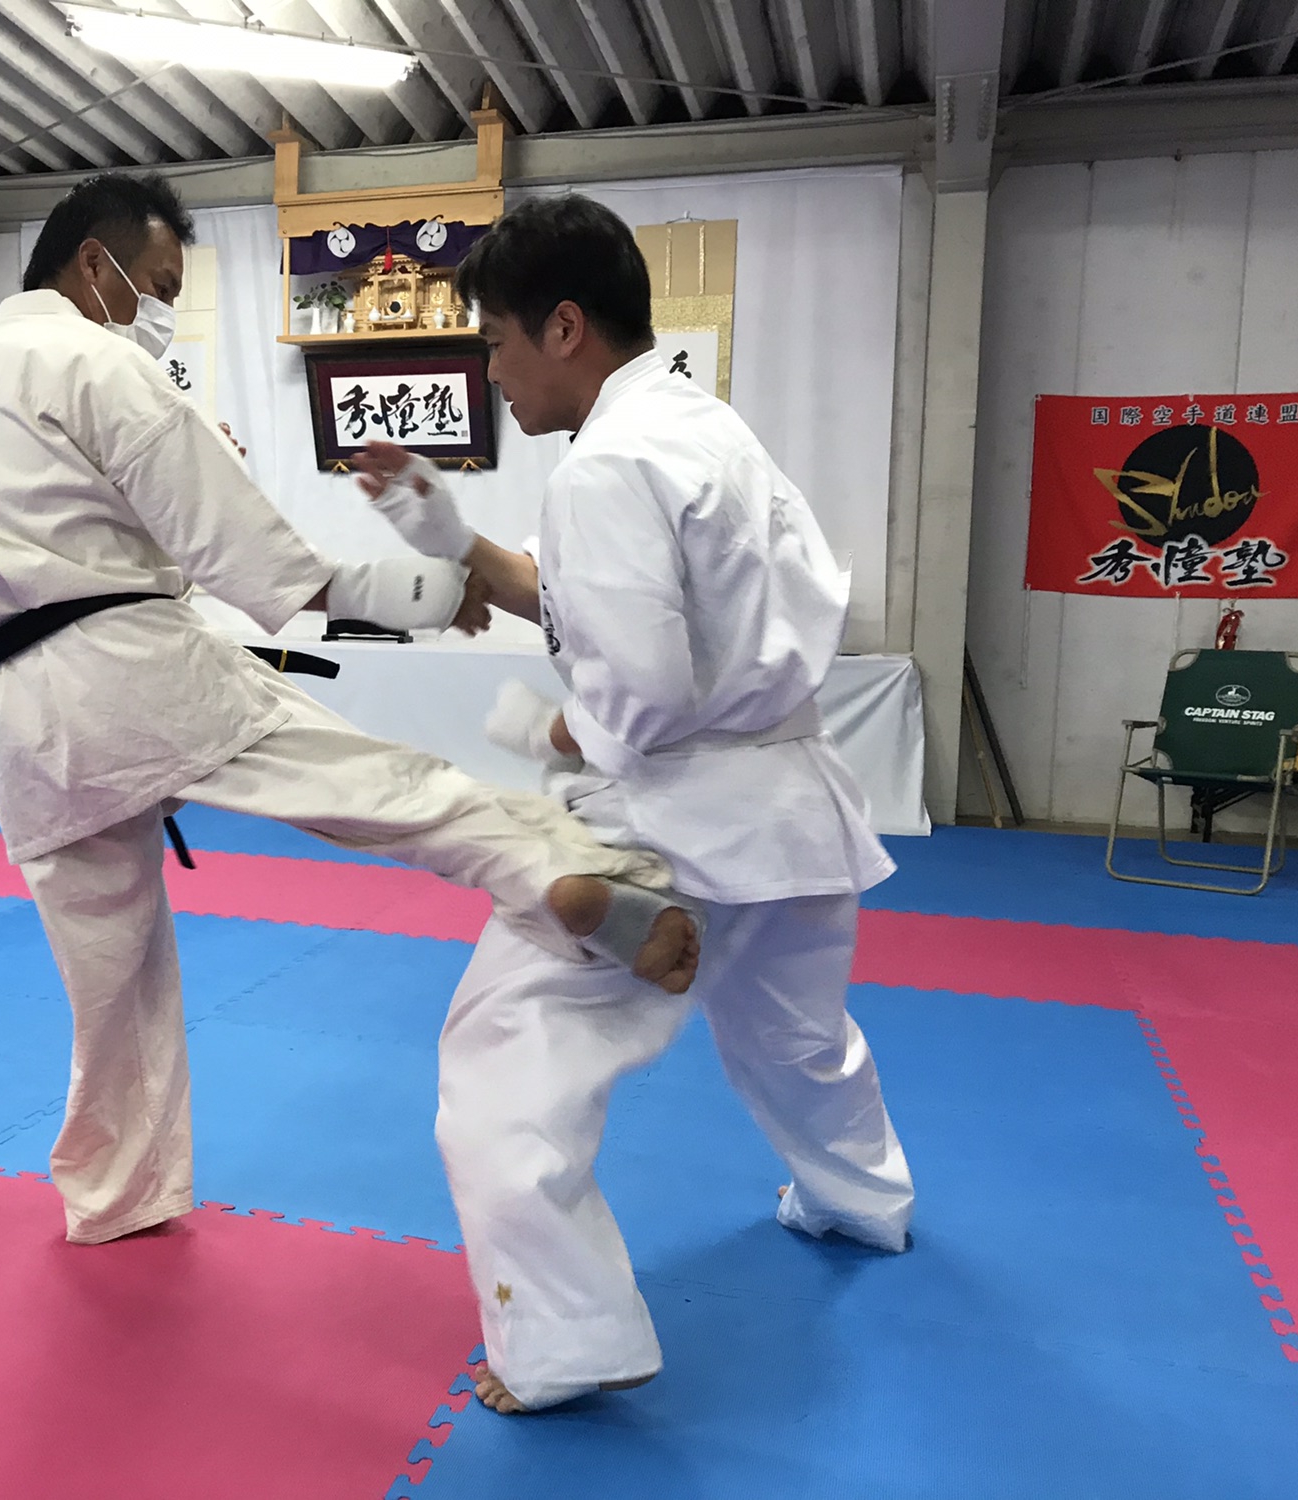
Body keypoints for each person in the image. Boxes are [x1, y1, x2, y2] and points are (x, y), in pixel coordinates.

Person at [0, 172, 702, 1249]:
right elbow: (246, 556)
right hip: (127, 667)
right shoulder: (94, 360)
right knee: (381, 787)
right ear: (93, 264)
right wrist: (415, 592)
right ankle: (572, 874)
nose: (161, 310)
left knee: (111, 982)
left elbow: (58, 536)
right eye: (157, 284)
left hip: (15, 709)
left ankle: (113, 1195)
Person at [354, 194, 914, 1413]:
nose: (491, 372)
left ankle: (563, 1343)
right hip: (791, 819)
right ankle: (862, 1201)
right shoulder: (702, 430)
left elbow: (643, 691)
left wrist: (549, 729)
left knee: (502, 1064)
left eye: (495, 341)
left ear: (562, 327)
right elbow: (592, 606)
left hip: (669, 840)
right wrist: (449, 534)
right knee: (795, 1040)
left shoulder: (606, 464)